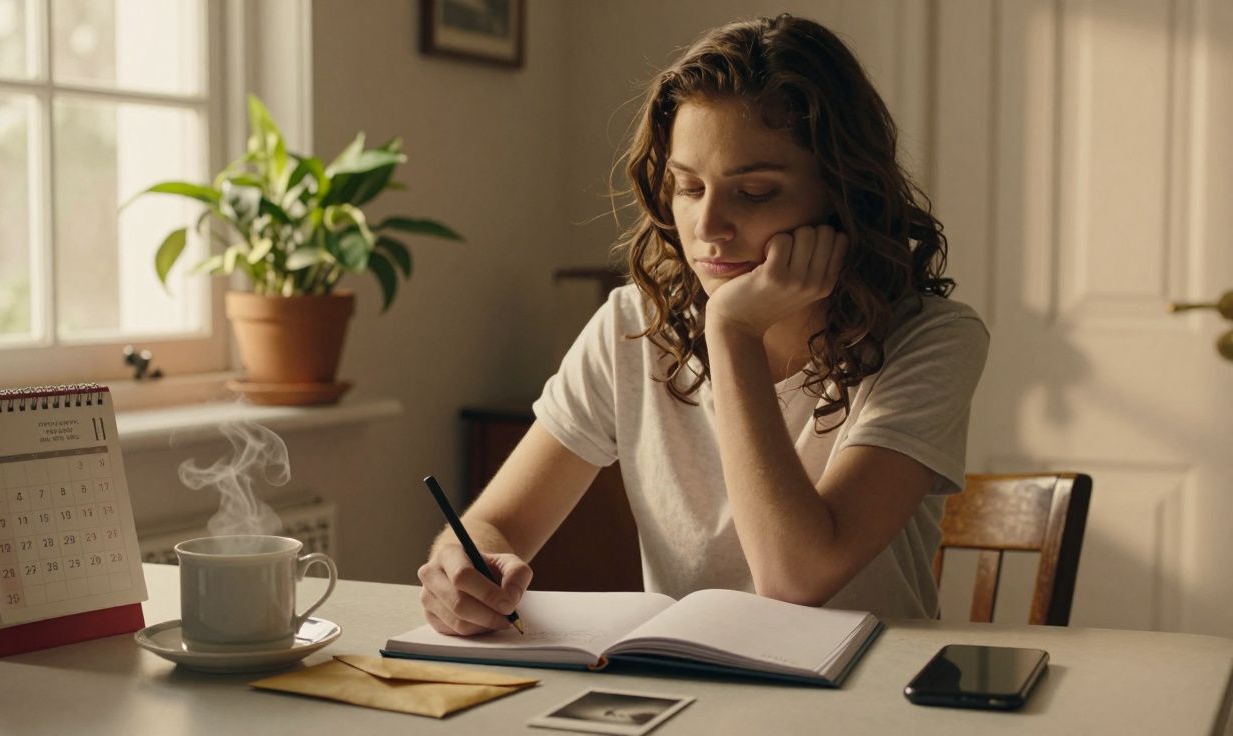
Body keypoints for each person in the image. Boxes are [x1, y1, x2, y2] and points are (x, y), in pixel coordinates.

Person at [418, 14, 989, 635]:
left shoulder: (932, 339)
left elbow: (795, 577)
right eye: (688, 187)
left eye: (756, 192)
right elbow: (495, 523)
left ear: (843, 194)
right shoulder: (632, 325)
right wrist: (459, 566)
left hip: (869, 701)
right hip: (685, 696)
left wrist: (733, 332)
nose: (709, 227)